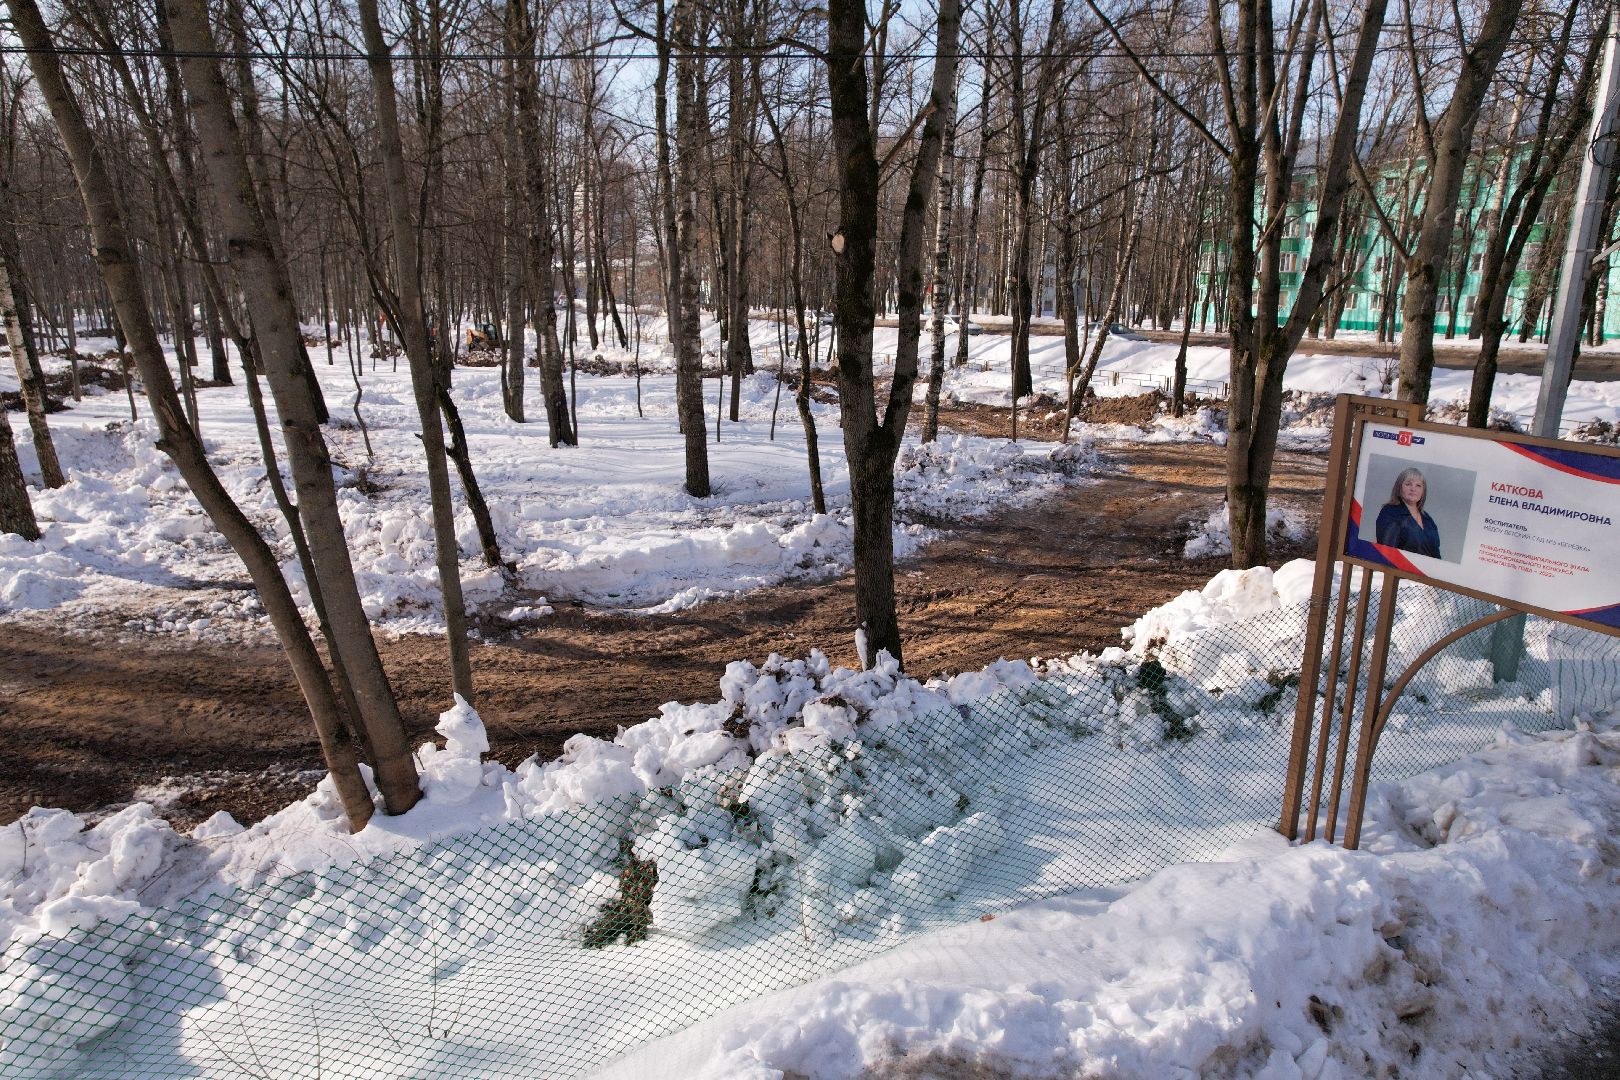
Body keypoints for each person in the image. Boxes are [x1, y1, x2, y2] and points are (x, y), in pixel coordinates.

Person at [1375, 467, 1441, 558]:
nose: (1413, 489)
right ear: (1399, 488)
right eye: (1408, 484)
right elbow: (1387, 553)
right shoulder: (1390, 512)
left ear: (1423, 491)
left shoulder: (1428, 520)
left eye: (1418, 485)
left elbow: (1436, 555)